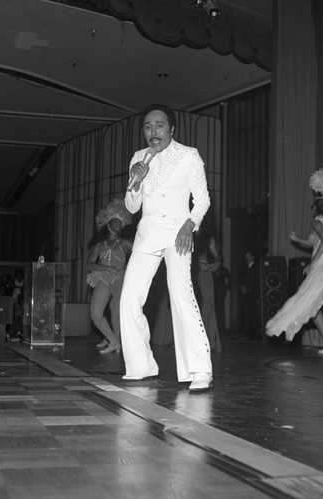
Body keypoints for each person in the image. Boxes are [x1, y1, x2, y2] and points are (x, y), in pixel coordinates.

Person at [120, 103, 213, 392]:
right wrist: (135, 181)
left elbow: (203, 200)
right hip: (147, 236)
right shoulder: (139, 157)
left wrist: (190, 225)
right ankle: (140, 367)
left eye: (159, 125)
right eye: (148, 127)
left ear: (171, 129)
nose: (153, 131)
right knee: (128, 298)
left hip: (178, 235)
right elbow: (131, 206)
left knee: (181, 295)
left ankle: (200, 370)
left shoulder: (188, 156)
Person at [266, 186, 323, 354]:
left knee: (310, 305)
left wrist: (312, 263)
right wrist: (298, 240)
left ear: (316, 208)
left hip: (322, 269)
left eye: (313, 207)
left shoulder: (317, 222)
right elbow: (317, 243)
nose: (311, 210)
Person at [87, 198, 133, 354]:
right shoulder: (99, 245)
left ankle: (127, 344)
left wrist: (126, 268)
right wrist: (106, 267)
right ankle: (113, 341)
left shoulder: (125, 243)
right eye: (115, 222)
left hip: (120, 277)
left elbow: (140, 257)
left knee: (120, 312)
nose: (119, 225)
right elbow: (90, 264)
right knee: (96, 314)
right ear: (108, 224)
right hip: (103, 277)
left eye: (121, 223)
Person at [193, 224, 223, 351]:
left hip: (205, 274)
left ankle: (209, 340)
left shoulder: (208, 237)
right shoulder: (186, 230)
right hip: (190, 271)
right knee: (191, 304)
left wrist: (216, 264)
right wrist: (199, 264)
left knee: (208, 305)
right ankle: (193, 341)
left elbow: (217, 257)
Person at [240, 250, 260, 340]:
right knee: (246, 313)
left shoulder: (257, 268)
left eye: (248, 256)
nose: (247, 258)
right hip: (246, 295)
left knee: (253, 314)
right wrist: (242, 287)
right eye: (246, 257)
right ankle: (247, 331)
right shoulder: (245, 267)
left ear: (253, 257)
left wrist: (249, 289)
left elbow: (257, 282)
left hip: (253, 294)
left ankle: (254, 332)